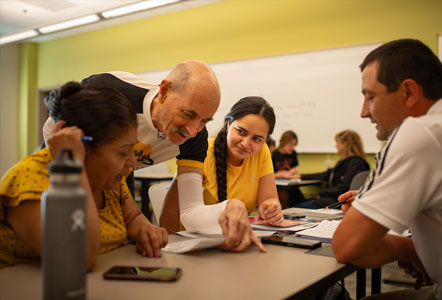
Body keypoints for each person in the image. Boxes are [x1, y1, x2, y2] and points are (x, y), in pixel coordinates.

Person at [42, 61, 258, 252]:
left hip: (117, 175)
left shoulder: (195, 138)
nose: (193, 131)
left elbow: (190, 210)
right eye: (188, 114)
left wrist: (228, 207)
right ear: (164, 91)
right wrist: (73, 168)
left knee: (115, 237)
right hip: (70, 162)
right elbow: (54, 129)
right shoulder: (113, 94)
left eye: (204, 121)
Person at [0, 82, 168, 269]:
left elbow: (132, 217)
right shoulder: (29, 178)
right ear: (81, 145)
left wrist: (145, 229)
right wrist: (74, 164)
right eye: (122, 153)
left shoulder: (110, 179)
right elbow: (77, 259)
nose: (131, 163)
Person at [332, 39, 442, 300]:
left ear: (409, 92)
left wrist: (406, 248)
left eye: (370, 97)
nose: (364, 112)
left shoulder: (420, 132)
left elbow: (346, 247)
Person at [162, 96, 283, 252]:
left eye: (257, 139)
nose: (246, 143)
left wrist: (271, 208)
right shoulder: (200, 152)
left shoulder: (261, 153)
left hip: (232, 243)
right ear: (228, 124)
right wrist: (170, 249)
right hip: (195, 247)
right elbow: (171, 212)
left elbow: (269, 199)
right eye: (241, 131)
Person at [297, 130, 369, 209]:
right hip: (334, 199)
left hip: (336, 201)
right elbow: (326, 174)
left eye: (338, 142)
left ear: (345, 144)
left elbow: (344, 188)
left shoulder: (355, 163)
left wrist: (321, 193)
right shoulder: (349, 162)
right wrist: (300, 176)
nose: (336, 145)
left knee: (296, 206)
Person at [271, 130, 304, 207]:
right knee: (283, 197)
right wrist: (280, 174)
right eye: (290, 144)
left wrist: (292, 173)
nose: (292, 147)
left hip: (290, 184)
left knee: (300, 201)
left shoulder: (293, 153)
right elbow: (268, 174)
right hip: (277, 186)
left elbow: (294, 170)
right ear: (283, 142)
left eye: (294, 145)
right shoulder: (274, 154)